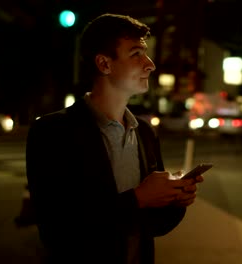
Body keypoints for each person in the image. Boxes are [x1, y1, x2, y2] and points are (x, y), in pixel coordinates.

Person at [26, 13, 204, 264]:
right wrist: (139, 197)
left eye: (145, 53)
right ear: (104, 64)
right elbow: (57, 229)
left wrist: (175, 200)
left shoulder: (144, 131)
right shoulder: (53, 131)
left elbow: (152, 227)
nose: (150, 64)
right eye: (135, 54)